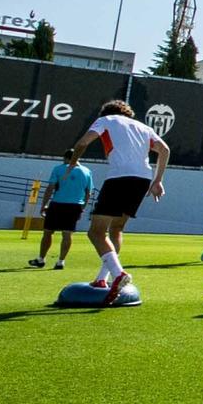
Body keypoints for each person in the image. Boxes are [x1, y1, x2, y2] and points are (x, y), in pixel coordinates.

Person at [68, 99, 169, 306]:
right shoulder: (143, 127)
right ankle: (102, 278)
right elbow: (165, 150)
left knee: (95, 232)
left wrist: (72, 164)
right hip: (142, 180)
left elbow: (82, 143)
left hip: (119, 178)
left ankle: (118, 273)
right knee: (117, 229)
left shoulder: (105, 120)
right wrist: (157, 180)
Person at [30, 148, 93, 269]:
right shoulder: (87, 171)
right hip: (75, 206)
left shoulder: (59, 169)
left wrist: (43, 205)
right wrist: (82, 208)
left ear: (66, 158)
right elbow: (88, 193)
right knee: (67, 234)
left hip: (57, 204)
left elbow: (50, 188)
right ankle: (61, 261)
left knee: (48, 232)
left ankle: (41, 259)